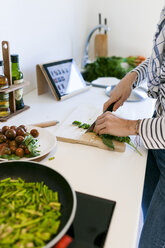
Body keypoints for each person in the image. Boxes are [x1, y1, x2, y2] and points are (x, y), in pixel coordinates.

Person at [94, 5, 165, 248]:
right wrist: (130, 78)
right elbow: (159, 61)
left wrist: (129, 126)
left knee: (151, 243)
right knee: (146, 217)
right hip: (158, 138)